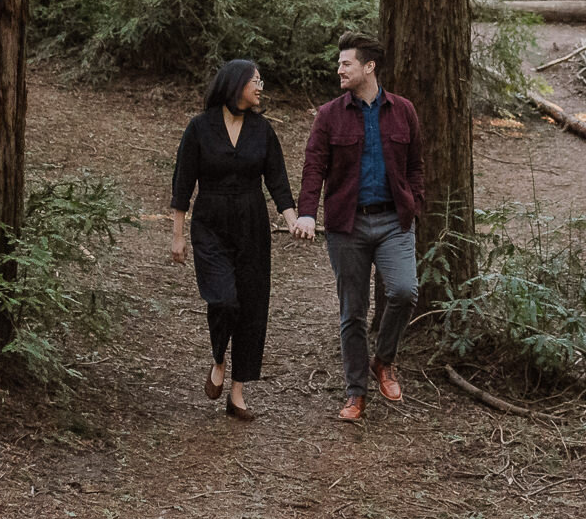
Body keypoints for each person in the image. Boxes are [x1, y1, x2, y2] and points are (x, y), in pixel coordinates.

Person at [292, 33, 422, 422]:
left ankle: (384, 360)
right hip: (347, 224)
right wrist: (307, 213)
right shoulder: (329, 115)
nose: (339, 69)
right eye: (339, 63)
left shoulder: (403, 111)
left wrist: (415, 203)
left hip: (393, 221)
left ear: (369, 67)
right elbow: (313, 165)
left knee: (404, 290)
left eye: (346, 63)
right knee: (353, 311)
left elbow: (415, 164)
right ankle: (355, 393)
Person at [171, 58, 302, 420]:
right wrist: (178, 236)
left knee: (251, 306)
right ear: (235, 84)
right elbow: (183, 184)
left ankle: (238, 392)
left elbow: (278, 181)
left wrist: (292, 220)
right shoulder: (200, 128)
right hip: (210, 223)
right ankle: (218, 359)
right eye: (255, 81)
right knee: (224, 300)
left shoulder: (263, 130)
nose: (261, 87)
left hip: (252, 225)